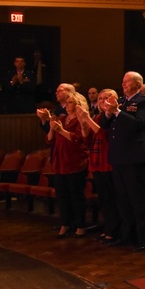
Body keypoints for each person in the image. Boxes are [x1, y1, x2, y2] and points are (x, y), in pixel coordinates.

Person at [97, 72, 145, 251]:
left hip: (135, 157)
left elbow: (139, 123)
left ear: (138, 84)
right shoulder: (122, 101)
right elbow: (105, 125)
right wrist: (108, 113)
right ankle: (127, 235)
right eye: (122, 81)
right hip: (118, 156)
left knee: (138, 199)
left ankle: (144, 238)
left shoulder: (144, 101)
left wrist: (116, 111)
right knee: (123, 199)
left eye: (126, 81)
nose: (123, 84)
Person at [76, 91, 119, 242]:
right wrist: (83, 125)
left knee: (111, 198)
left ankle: (114, 230)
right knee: (104, 199)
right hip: (96, 162)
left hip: (108, 162)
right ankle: (108, 227)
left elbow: (103, 135)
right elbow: (88, 142)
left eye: (106, 98)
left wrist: (86, 119)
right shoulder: (97, 117)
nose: (102, 101)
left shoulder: (113, 116)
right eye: (100, 98)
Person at [46, 92, 90, 238]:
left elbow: (78, 140)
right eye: (67, 102)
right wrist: (52, 127)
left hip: (75, 161)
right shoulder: (63, 118)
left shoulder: (81, 120)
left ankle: (80, 225)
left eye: (70, 102)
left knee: (76, 195)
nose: (67, 104)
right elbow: (50, 140)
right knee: (62, 196)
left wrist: (61, 130)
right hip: (60, 161)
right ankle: (65, 223)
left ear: (78, 104)